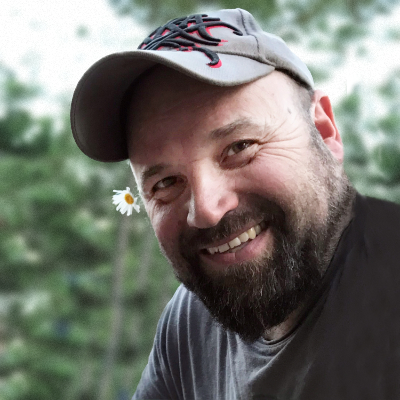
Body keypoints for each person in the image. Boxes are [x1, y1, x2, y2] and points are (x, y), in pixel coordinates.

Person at [70, 8, 400, 400]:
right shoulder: (192, 325)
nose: (206, 209)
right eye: (167, 183)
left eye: (240, 147)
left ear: (325, 131)